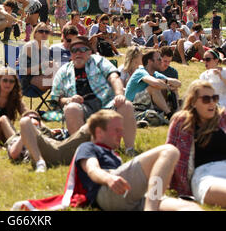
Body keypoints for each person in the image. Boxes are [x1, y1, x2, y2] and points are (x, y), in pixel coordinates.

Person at [76, 109, 202, 211]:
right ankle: (151, 208)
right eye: (117, 130)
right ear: (99, 132)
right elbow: (92, 170)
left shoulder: (113, 155)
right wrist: (109, 178)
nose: (121, 134)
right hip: (106, 192)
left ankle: (153, 203)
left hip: (128, 198)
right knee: (169, 151)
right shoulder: (88, 147)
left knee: (189, 207)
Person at [50, 36, 137, 155]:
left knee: (125, 105)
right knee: (71, 108)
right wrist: (69, 100)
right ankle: (84, 151)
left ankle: (129, 150)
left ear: (90, 51)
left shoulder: (98, 61)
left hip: (106, 103)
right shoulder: (63, 71)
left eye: (82, 49)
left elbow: (114, 77)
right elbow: (57, 98)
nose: (78, 53)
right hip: (82, 107)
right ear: (71, 54)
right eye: (74, 50)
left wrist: (119, 94)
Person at [167, 80, 226, 208]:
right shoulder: (183, 122)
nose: (212, 103)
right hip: (206, 175)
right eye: (206, 99)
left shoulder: (222, 119)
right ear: (193, 102)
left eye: (214, 98)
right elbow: (168, 153)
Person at [125, 49, 181, 120]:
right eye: (159, 59)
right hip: (133, 105)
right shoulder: (140, 72)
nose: (162, 61)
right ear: (150, 61)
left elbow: (178, 83)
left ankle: (177, 113)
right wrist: (168, 87)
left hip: (146, 103)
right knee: (154, 88)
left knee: (174, 89)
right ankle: (169, 114)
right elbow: (155, 83)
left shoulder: (155, 74)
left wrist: (166, 82)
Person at [19, 23, 54, 92]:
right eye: (41, 31)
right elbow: (24, 71)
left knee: (60, 78)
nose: (44, 34)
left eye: (46, 32)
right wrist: (42, 65)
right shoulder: (29, 47)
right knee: (54, 81)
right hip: (28, 80)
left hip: (42, 76)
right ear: (35, 34)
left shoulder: (46, 49)